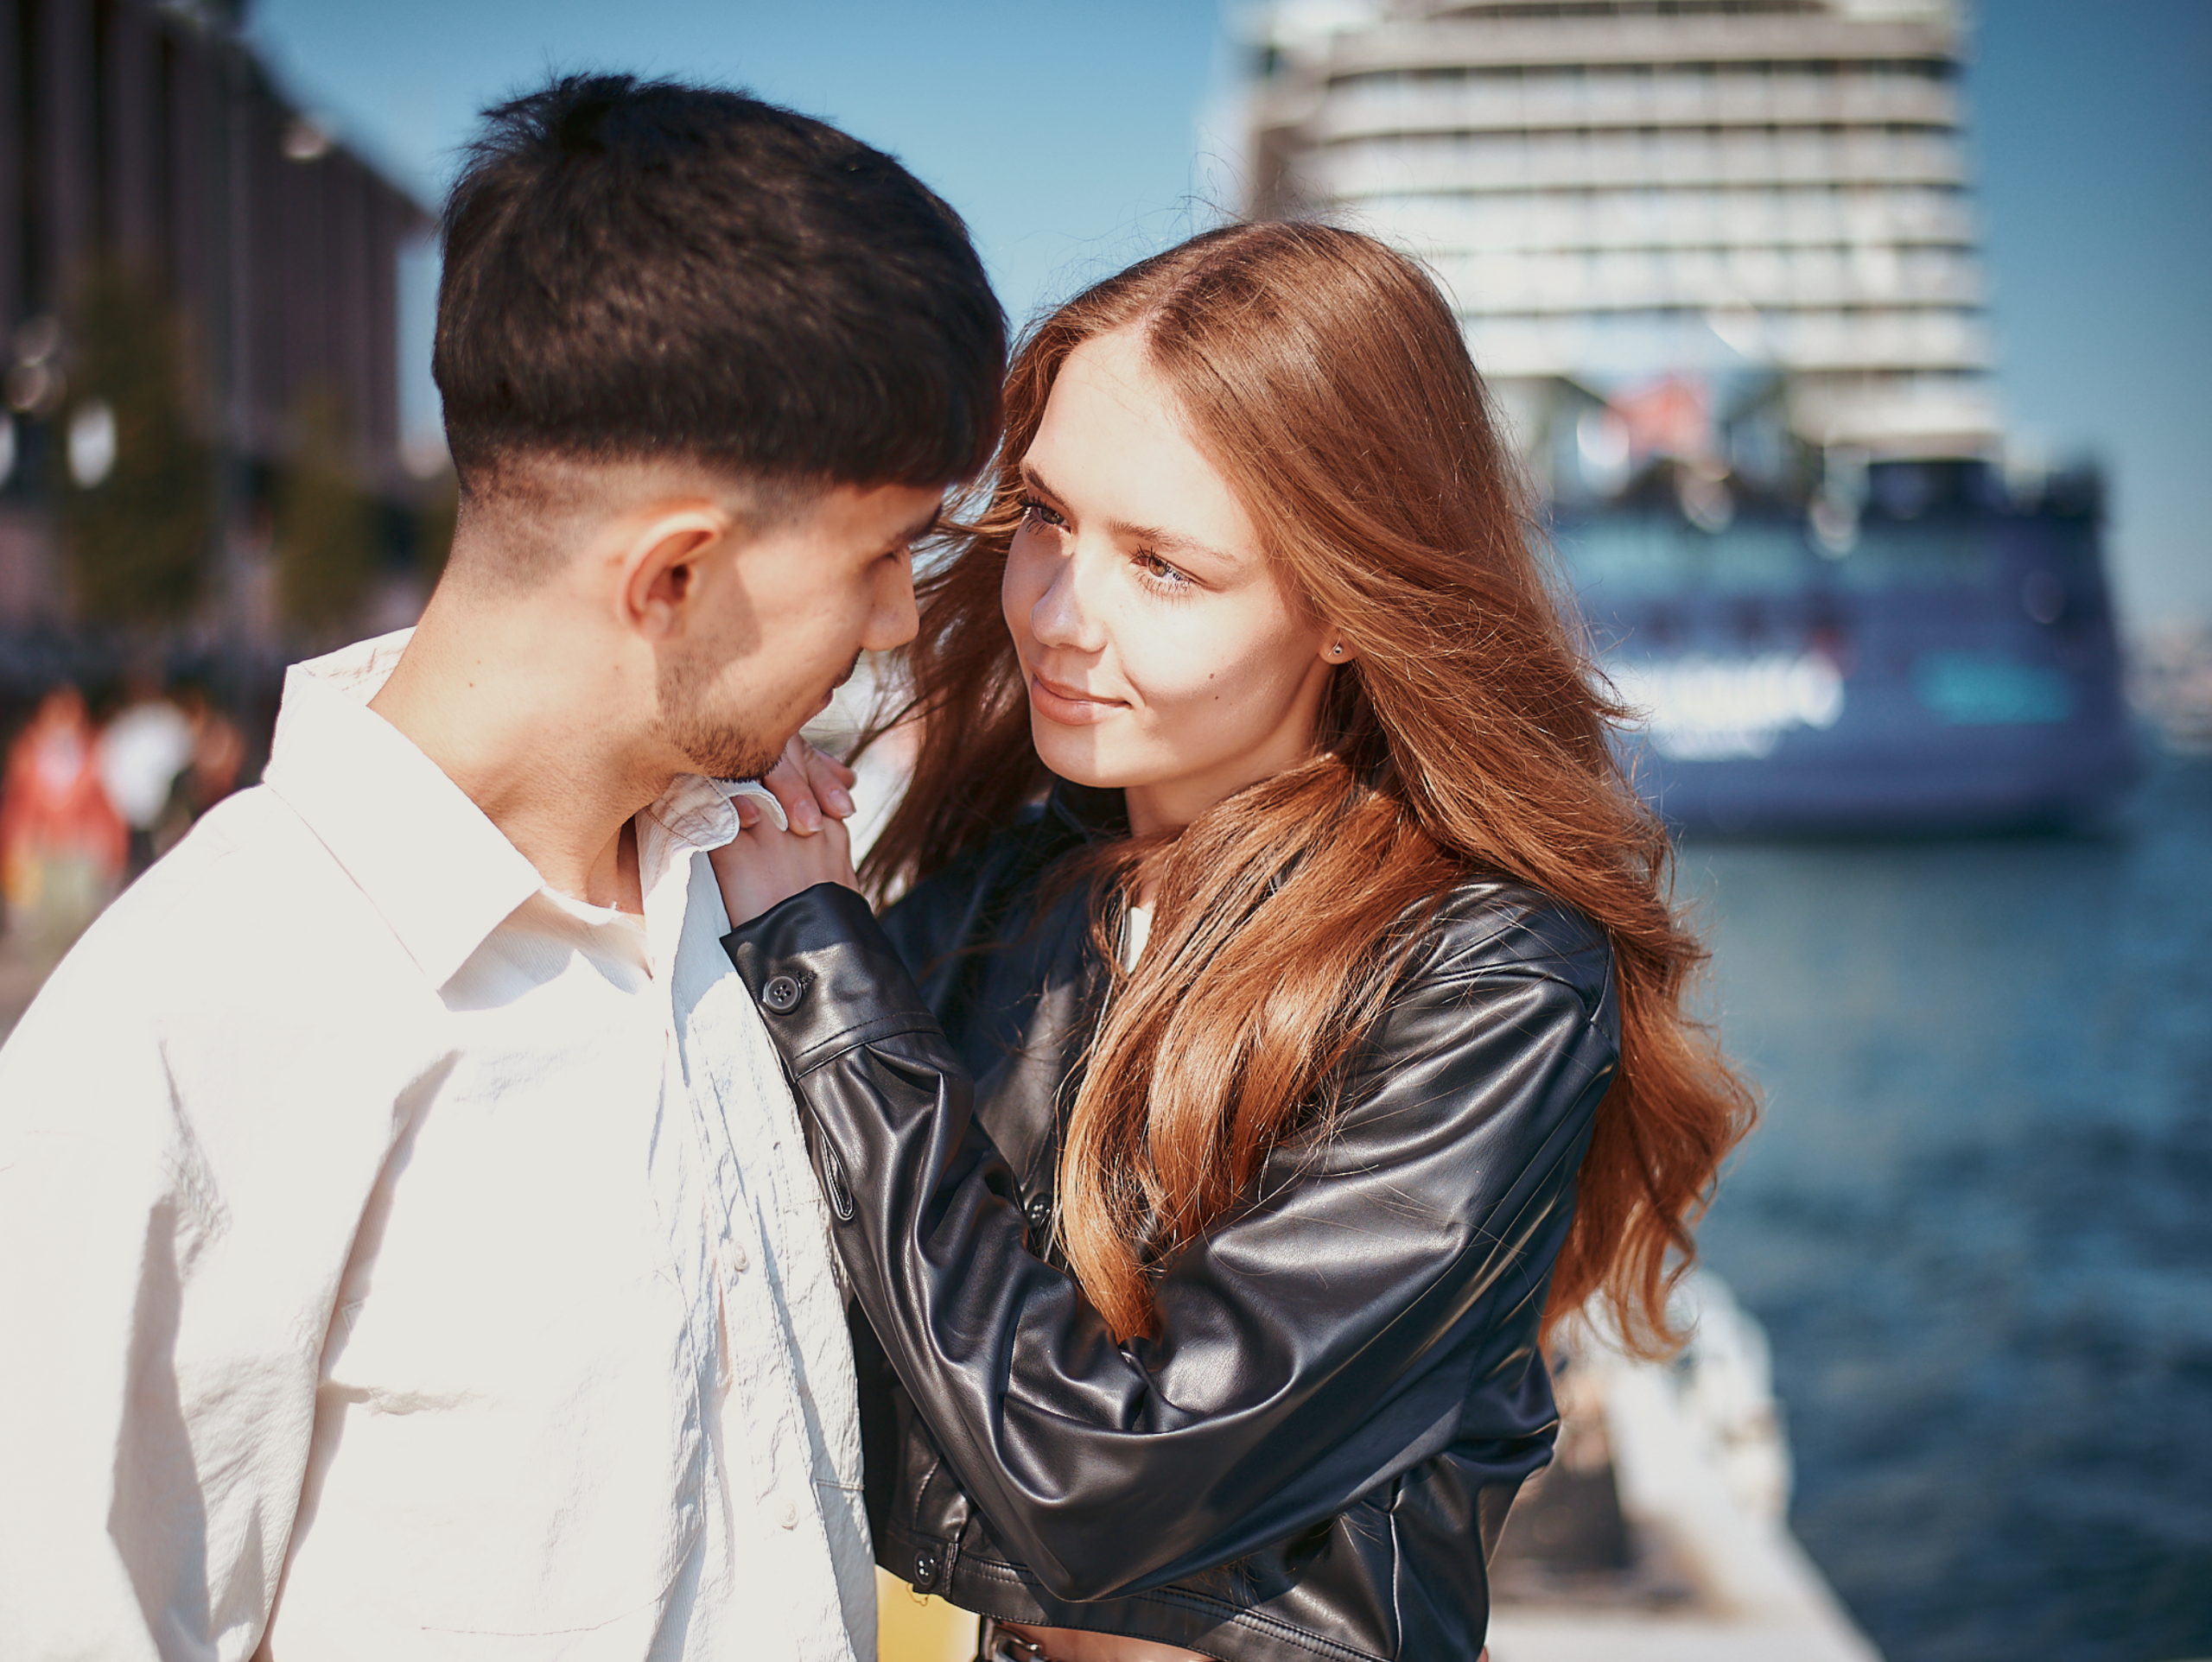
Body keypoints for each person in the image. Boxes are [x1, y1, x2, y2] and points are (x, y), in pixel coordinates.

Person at [0, 76, 1001, 1661]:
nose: (894, 624)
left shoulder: (752, 906)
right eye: (877, 559)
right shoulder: (185, 1039)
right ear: (674, 572)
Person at [709, 222, 1756, 1662]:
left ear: (1343, 604)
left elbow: (1098, 1472)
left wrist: (823, 970)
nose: (1061, 610)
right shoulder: (1000, 897)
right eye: (1052, 521)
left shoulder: (1489, 978)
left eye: (1165, 565)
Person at [0, 683, 127, 948]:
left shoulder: (92, 750)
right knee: (42, 937)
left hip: (79, 854)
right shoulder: (27, 751)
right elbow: (19, 808)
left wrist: (109, 851)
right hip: (41, 855)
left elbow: (104, 806)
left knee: (80, 929)